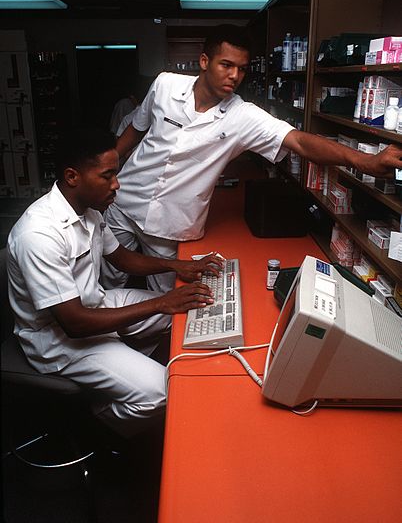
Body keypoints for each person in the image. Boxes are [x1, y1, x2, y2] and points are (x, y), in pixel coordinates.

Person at [102, 24, 402, 293]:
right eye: (226, 65)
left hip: (170, 226)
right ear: (204, 62)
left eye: (242, 69)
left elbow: (297, 140)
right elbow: (135, 129)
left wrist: (364, 161)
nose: (234, 76)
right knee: (107, 281)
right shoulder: (165, 84)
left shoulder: (241, 115)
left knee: (167, 300)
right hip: (124, 201)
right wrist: (107, 173)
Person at [7, 127, 222, 439]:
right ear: (72, 177)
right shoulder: (38, 234)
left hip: (96, 306)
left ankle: (125, 372)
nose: (116, 184)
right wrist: (160, 302)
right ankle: (95, 420)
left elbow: (122, 258)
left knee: (188, 310)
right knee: (163, 391)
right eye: (107, 176)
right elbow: (75, 324)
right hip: (59, 341)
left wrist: (178, 266)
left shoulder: (89, 209)